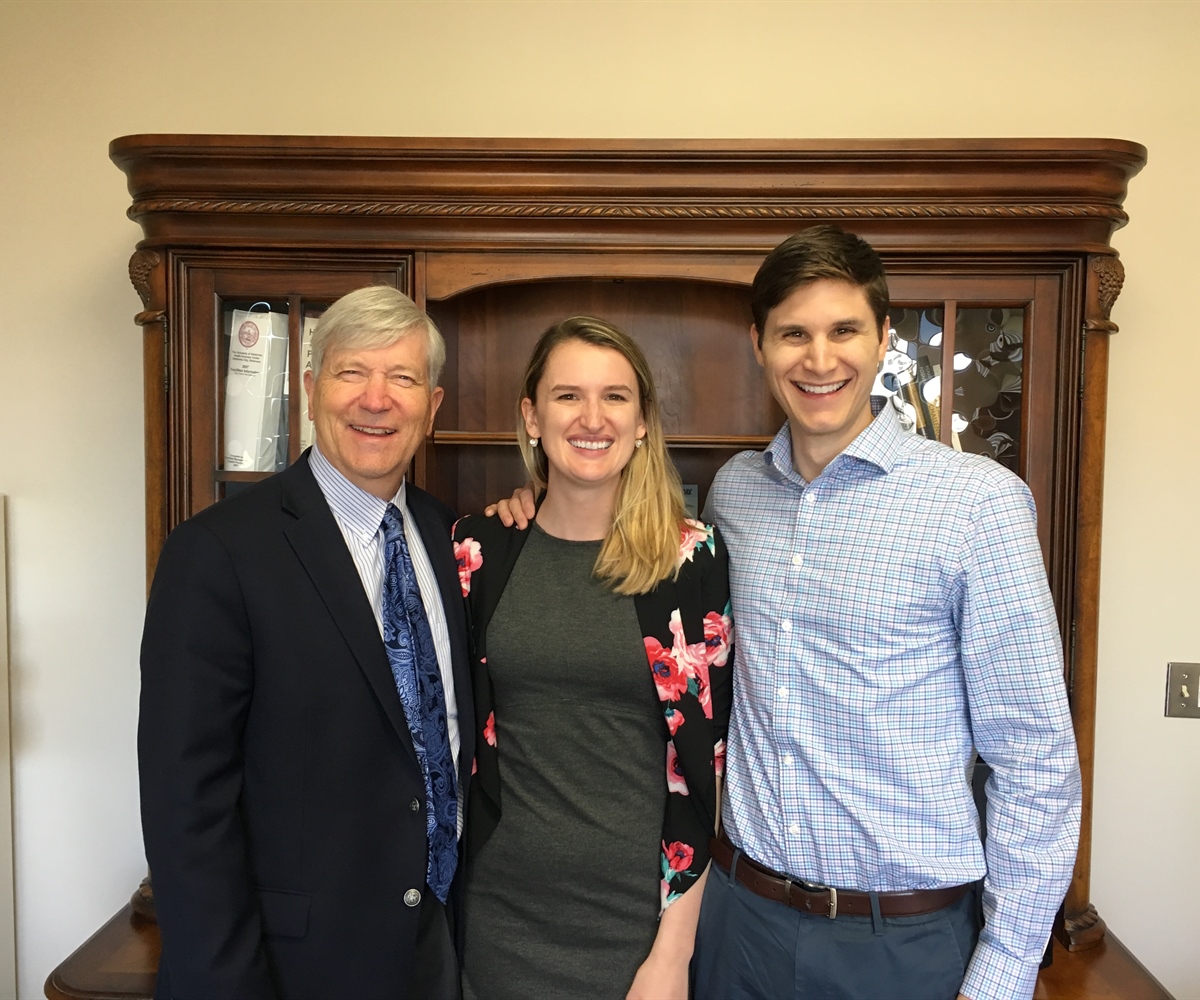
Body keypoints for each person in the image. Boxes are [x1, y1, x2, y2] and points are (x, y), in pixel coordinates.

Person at [494, 227, 1081, 1000]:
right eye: (793, 334)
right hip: (741, 924)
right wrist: (537, 501)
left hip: (904, 941)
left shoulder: (976, 505)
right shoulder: (736, 495)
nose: (819, 359)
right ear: (759, 344)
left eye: (844, 330)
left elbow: (1035, 764)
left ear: (883, 341)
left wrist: (1003, 973)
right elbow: (610, 523)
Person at [138, 285, 472, 999]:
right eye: (352, 373)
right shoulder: (219, 552)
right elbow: (185, 805)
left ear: (433, 407)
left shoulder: (450, 542)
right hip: (292, 968)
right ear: (313, 388)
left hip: (439, 950)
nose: (376, 399)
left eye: (403, 378)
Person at [452, 316, 732, 1000]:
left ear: (642, 422)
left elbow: (707, 768)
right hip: (498, 920)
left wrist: (673, 953)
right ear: (532, 414)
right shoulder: (478, 550)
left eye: (615, 397)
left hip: (635, 930)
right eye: (567, 395)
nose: (591, 417)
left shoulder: (689, 557)